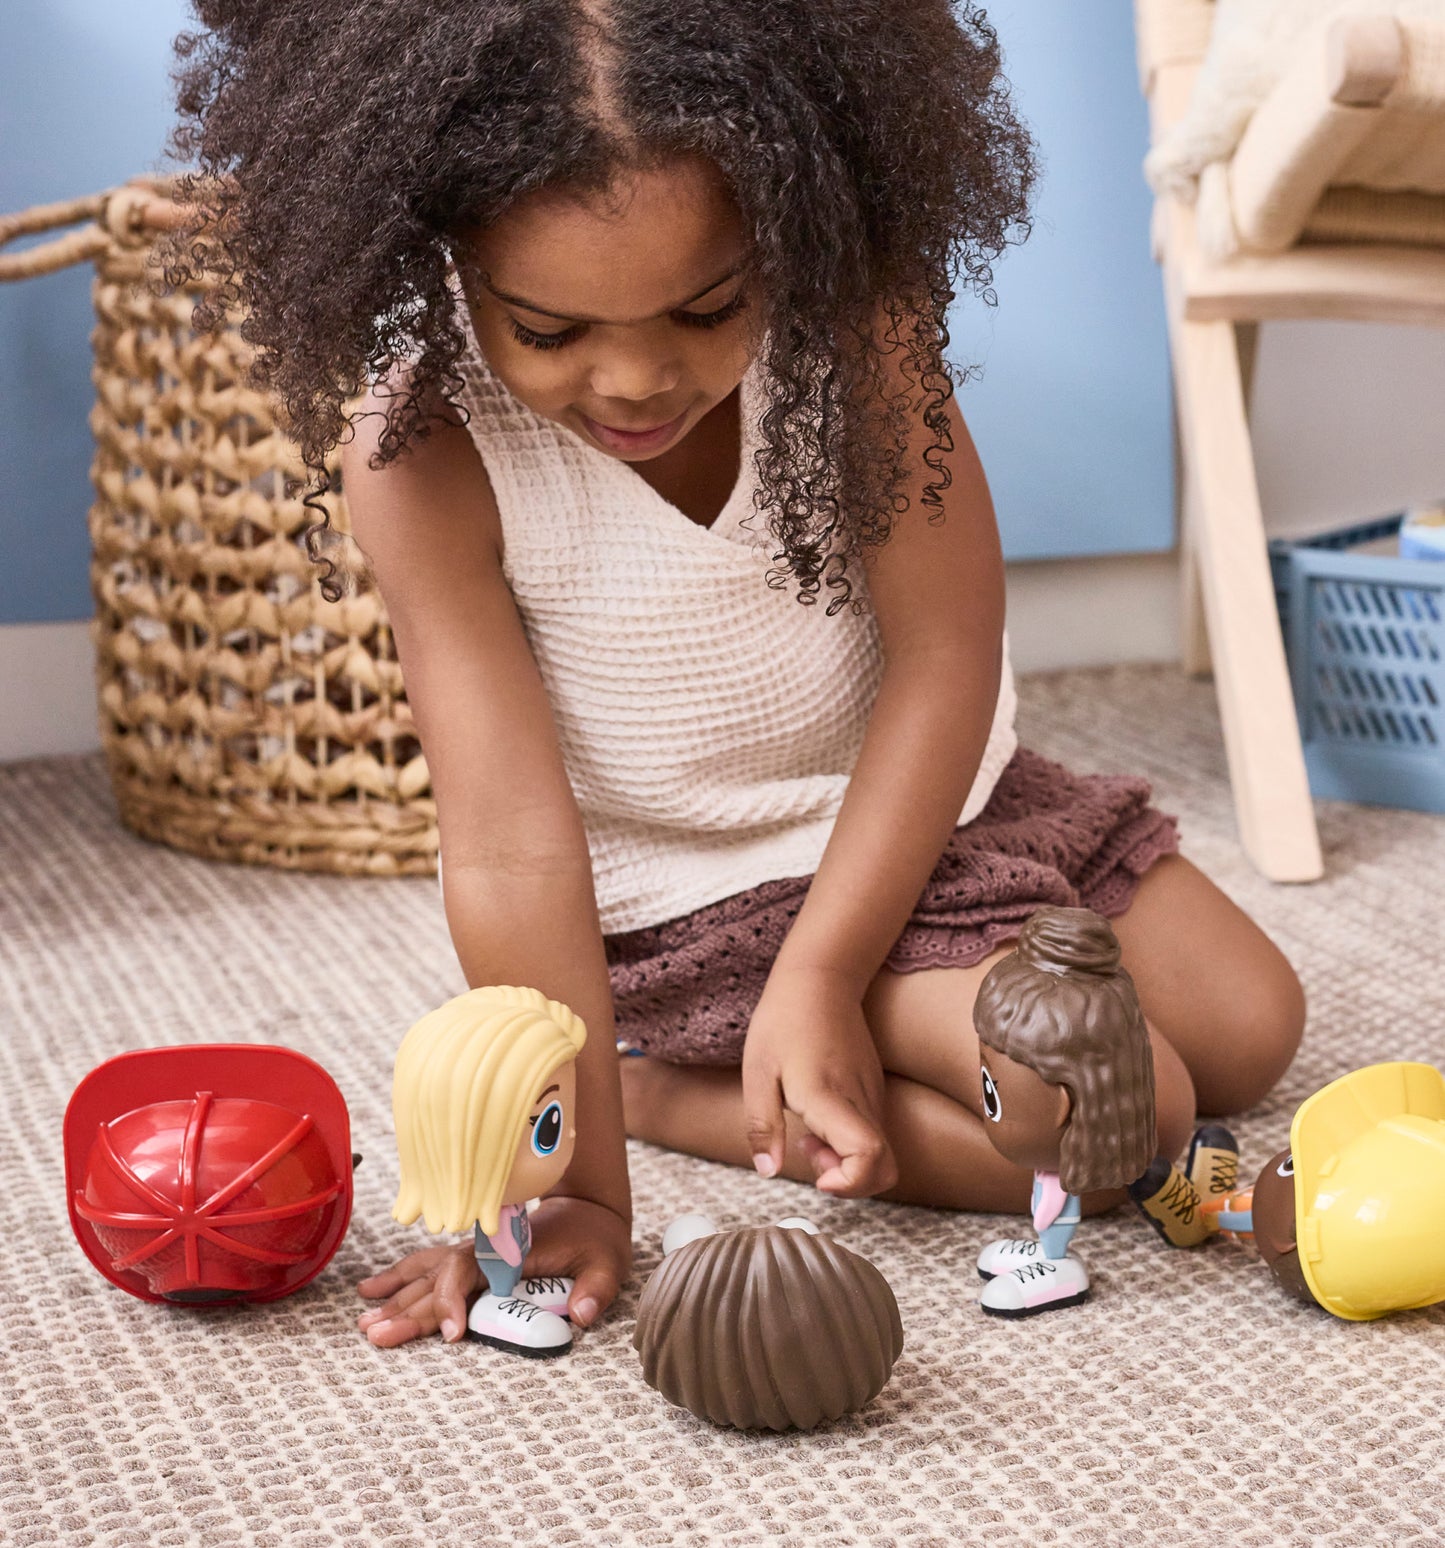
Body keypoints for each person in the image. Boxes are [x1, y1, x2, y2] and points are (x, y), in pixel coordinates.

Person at [164, 0, 1306, 1349]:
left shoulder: (856, 338)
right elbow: (512, 847)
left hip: (928, 810)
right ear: (446, 257)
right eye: (552, 332)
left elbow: (945, 657)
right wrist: (581, 1182)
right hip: (700, 900)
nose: (638, 379)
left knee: (1252, 1029)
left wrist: (825, 973)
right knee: (1123, 1118)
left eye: (708, 307)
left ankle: (797, 1028)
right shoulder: (422, 452)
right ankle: (667, 1088)